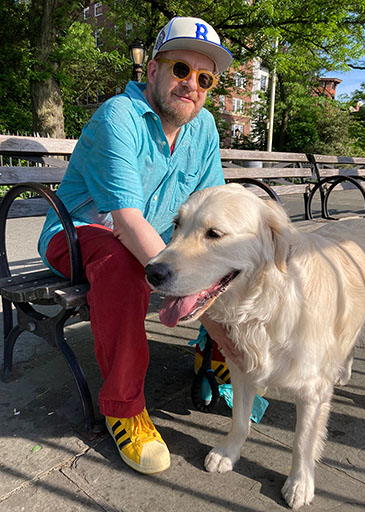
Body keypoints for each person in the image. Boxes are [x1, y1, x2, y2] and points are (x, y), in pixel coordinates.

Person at [38, 16, 236, 475]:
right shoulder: (118, 117)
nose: (192, 85)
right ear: (152, 70)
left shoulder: (204, 126)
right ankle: (123, 407)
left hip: (150, 237)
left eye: (204, 78)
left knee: (225, 253)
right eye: (181, 70)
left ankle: (217, 354)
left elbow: (213, 206)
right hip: (80, 233)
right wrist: (187, 288)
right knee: (126, 263)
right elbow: (125, 223)